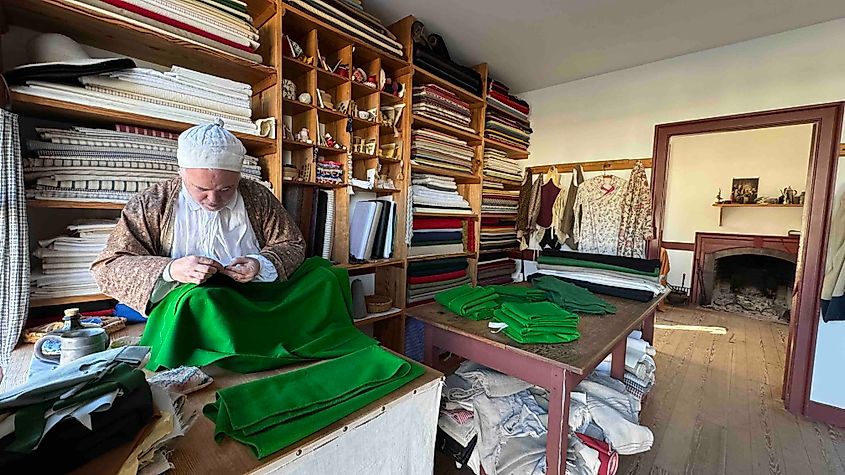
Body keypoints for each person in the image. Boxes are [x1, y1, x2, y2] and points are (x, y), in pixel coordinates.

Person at [91, 120, 305, 314]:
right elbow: (107, 267)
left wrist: (260, 264)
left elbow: (292, 244)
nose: (213, 199)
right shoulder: (153, 203)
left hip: (252, 300)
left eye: (226, 189)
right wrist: (171, 269)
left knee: (325, 277)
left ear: (238, 176)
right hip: (187, 306)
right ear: (182, 173)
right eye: (201, 188)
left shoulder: (257, 196)